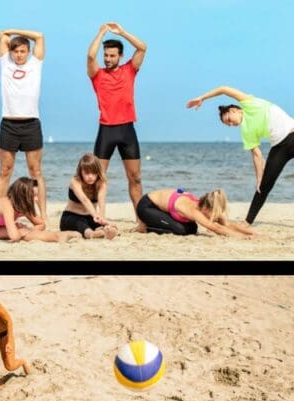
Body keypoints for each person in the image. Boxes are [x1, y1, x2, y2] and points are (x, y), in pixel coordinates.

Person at [186, 86, 294, 224]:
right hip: (279, 147)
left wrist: (201, 98)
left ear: (234, 110)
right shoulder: (246, 131)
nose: (231, 125)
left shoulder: (249, 103)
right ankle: (248, 222)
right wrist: (259, 179)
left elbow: (223, 89)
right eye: (228, 125)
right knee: (263, 187)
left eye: (229, 120)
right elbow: (256, 154)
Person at [87, 22, 147, 214]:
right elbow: (90, 55)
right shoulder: (97, 75)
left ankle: (141, 219)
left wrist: (122, 32)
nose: (108, 59)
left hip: (127, 130)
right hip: (106, 130)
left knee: (135, 177)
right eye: (105, 55)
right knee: (96, 178)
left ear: (120, 56)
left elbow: (142, 47)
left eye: (112, 55)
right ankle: (96, 216)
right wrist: (101, 32)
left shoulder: (129, 70)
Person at [0, 28, 47, 223]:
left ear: (28, 51)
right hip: (9, 124)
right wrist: (6, 34)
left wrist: (12, 30)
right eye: (15, 51)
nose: (19, 55)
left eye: (23, 51)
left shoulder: (36, 63)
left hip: (31, 124)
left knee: (36, 172)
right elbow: (2, 37)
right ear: (11, 52)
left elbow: (40, 36)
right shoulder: (5, 62)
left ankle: (43, 215)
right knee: (5, 171)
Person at [0, 177, 81, 242]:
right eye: (33, 195)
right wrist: (20, 229)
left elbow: (41, 224)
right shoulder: (7, 204)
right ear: (22, 195)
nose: (36, 199)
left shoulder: (23, 207)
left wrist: (28, 229)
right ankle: (58, 236)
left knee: (23, 232)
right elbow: (14, 236)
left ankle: (58, 236)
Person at [135, 188, 254, 237]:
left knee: (191, 228)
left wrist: (252, 234)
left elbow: (227, 224)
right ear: (206, 209)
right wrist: (241, 237)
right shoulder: (193, 209)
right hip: (147, 207)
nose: (213, 217)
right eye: (212, 214)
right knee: (181, 230)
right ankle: (145, 227)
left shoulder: (205, 206)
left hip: (162, 208)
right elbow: (216, 229)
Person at [60, 153, 118, 239]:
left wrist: (101, 218)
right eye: (87, 173)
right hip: (71, 216)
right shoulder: (75, 181)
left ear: (98, 172)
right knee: (81, 225)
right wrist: (95, 215)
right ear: (81, 172)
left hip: (90, 217)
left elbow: (101, 201)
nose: (90, 176)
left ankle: (104, 231)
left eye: (94, 173)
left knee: (101, 225)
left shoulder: (101, 182)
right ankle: (92, 234)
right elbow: (84, 199)